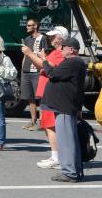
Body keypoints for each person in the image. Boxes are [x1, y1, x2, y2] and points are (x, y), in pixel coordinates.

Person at [22, 25, 69, 169]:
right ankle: (56, 156)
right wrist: (37, 57)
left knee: (50, 127)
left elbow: (50, 68)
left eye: (54, 36)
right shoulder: (55, 52)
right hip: (46, 93)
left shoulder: (61, 53)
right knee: (48, 126)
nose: (51, 39)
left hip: (51, 94)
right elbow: (43, 66)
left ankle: (57, 158)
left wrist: (31, 54)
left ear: (61, 38)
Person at [40, 37, 87, 182]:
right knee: (70, 140)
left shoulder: (73, 62)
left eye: (64, 47)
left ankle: (69, 172)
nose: (61, 50)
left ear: (71, 49)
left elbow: (52, 74)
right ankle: (74, 170)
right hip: (66, 106)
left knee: (66, 141)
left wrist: (44, 60)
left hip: (64, 107)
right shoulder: (76, 63)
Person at [20, 17, 47, 130]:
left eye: (29, 25)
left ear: (35, 26)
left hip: (37, 71)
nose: (27, 27)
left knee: (40, 98)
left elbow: (44, 54)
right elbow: (25, 55)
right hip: (26, 72)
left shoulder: (43, 38)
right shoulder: (27, 39)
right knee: (30, 98)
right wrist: (22, 69)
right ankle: (33, 121)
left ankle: (42, 122)